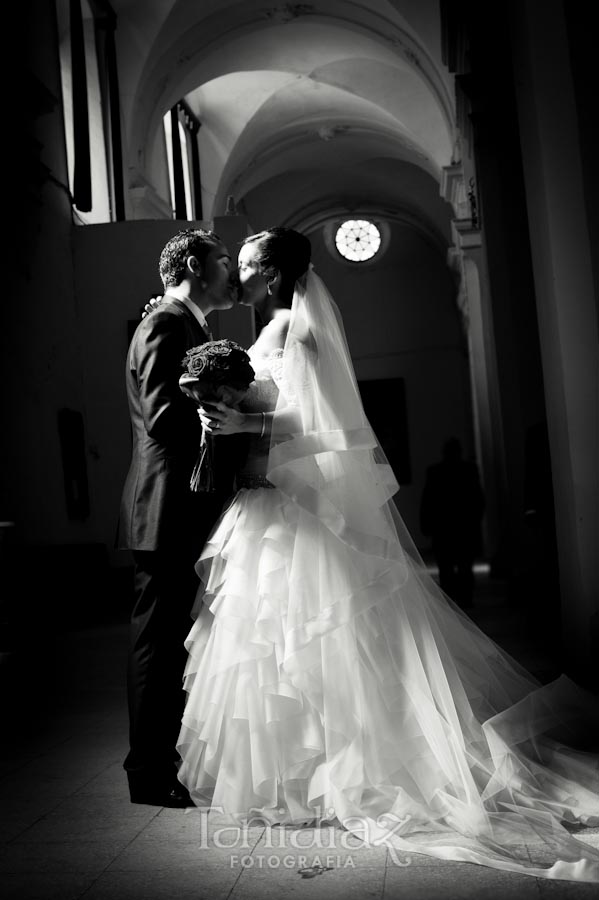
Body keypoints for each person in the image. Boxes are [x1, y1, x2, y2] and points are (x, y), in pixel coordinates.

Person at [175, 227, 598, 882]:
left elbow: (334, 429)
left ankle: (345, 769)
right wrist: (221, 415)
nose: (242, 275)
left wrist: (247, 422)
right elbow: (272, 409)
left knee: (323, 641)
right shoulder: (267, 332)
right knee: (271, 651)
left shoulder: (303, 331)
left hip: (302, 512)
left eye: (252, 264)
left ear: (275, 272)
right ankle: (290, 778)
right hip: (265, 502)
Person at [117, 228, 240, 807]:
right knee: (158, 646)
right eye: (222, 260)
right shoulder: (166, 322)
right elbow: (164, 416)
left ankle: (162, 760)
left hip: (181, 505)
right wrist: (224, 420)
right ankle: (147, 772)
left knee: (173, 645)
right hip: (164, 507)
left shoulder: (187, 323)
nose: (231, 270)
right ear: (194, 263)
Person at [419, 437, 485, 608]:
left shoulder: (435, 471)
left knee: (447, 568)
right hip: (463, 527)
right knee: (463, 567)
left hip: (444, 528)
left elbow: (428, 501)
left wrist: (426, 525)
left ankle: (450, 603)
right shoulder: (469, 469)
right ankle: (465, 601)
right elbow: (478, 498)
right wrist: (476, 520)